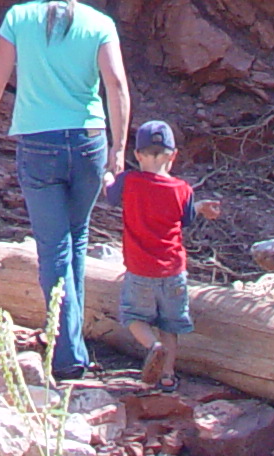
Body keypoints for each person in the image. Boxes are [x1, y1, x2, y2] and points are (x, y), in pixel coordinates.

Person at [0, 0, 130, 383]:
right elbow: (116, 85)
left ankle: (65, 354)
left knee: (54, 245)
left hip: (38, 143)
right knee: (74, 239)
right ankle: (72, 343)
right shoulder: (100, 24)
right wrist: (118, 148)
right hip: (89, 143)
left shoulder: (19, 19)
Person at [110, 119, 213, 388]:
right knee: (170, 325)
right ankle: (168, 376)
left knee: (133, 317)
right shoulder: (183, 189)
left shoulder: (129, 181)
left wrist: (107, 176)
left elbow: (110, 197)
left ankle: (152, 346)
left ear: (138, 155)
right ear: (173, 156)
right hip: (174, 271)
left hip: (140, 270)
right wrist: (201, 206)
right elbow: (186, 218)